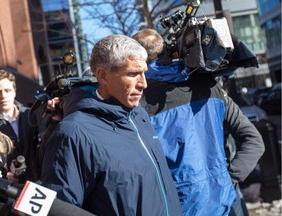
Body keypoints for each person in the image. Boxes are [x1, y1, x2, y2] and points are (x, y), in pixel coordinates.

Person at [41, 34, 182, 215]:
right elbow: (60, 209)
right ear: (103, 75)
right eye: (133, 74)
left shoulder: (138, 114)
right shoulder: (73, 132)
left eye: (144, 73)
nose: (143, 84)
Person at [133, 28, 265, 216]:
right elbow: (254, 141)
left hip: (180, 205)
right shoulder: (210, 86)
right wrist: (228, 179)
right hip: (227, 201)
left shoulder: (138, 102)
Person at [0, 70, 40, 183]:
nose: (3, 96)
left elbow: (36, 149)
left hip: (34, 181)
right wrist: (5, 175)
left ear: (14, 91)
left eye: (7, 90)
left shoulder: (29, 115)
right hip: (6, 185)